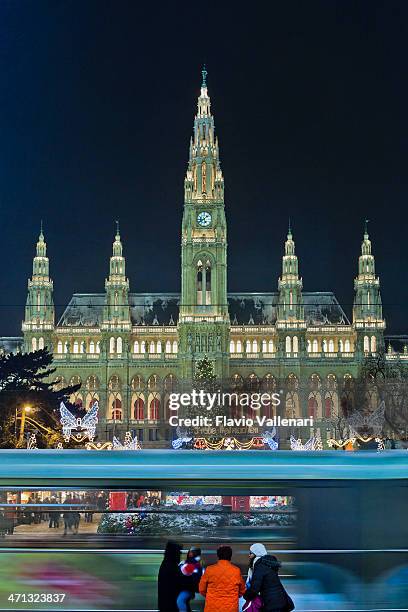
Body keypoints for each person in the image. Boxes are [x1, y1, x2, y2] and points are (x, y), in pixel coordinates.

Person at [244, 543, 294, 612]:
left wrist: (246, 595)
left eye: (251, 553)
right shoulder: (268, 564)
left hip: (271, 603)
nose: (249, 555)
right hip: (281, 600)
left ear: (256, 554)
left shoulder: (260, 566)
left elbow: (255, 588)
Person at [199, 545, 245, 612]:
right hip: (231, 608)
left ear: (218, 555)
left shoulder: (209, 569)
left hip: (212, 607)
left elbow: (201, 589)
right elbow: (242, 590)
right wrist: (233, 597)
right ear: (230, 556)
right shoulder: (236, 570)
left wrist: (211, 596)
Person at [157, 540, 183, 611]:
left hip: (167, 606)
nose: (180, 555)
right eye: (178, 553)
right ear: (174, 554)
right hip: (170, 606)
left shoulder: (167, 564)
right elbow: (179, 583)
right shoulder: (171, 567)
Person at [177, 547, 203, 611]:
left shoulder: (195, 564)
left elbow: (186, 573)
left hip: (188, 588)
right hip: (185, 587)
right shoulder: (186, 562)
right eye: (190, 552)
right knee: (184, 603)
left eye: (192, 552)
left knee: (180, 601)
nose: (190, 553)